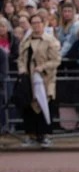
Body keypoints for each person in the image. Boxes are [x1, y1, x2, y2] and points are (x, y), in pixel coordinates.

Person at [17, 13, 61, 147]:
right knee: (29, 107)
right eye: (33, 23)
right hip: (28, 79)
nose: (36, 25)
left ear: (43, 23)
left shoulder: (50, 40)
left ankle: (45, 136)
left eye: (38, 22)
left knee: (44, 106)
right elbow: (21, 58)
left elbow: (56, 60)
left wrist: (43, 67)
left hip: (45, 79)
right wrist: (22, 69)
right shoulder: (26, 40)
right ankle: (31, 135)